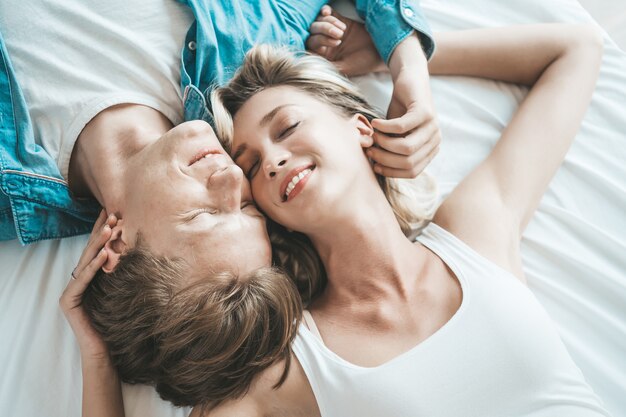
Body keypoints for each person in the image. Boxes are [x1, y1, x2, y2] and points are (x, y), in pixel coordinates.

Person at [64, 17, 610, 417]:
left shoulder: (475, 234)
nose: (271, 161)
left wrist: (399, 59)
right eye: (251, 165)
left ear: (359, 125)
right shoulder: (288, 366)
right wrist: (97, 358)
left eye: (286, 128)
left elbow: (576, 46)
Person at [21, 0, 437, 410]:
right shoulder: (248, 58)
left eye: (206, 213)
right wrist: (408, 65)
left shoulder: (17, 182)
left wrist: (96, 358)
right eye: (248, 207)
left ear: (116, 247)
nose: (234, 176)